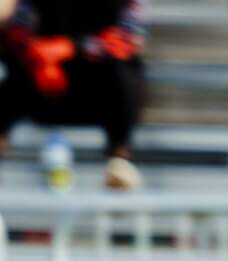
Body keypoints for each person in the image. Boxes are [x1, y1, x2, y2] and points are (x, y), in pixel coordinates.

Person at [0, 0, 146, 190]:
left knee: (124, 71)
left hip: (94, 85)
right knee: (9, 73)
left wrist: (69, 48)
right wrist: (39, 56)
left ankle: (119, 159)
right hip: (40, 77)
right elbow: (16, 32)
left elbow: (127, 39)